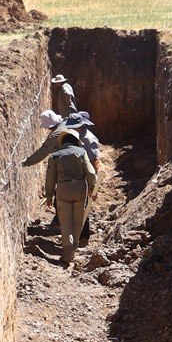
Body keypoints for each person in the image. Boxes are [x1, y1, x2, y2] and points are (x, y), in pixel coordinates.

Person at [44, 129, 98, 266]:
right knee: (77, 220)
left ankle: (67, 253)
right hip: (80, 189)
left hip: (63, 190)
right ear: (76, 141)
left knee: (65, 221)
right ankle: (74, 248)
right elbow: (90, 172)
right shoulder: (82, 152)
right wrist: (93, 188)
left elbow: (50, 178)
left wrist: (49, 195)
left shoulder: (55, 156)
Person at [23, 111, 100, 172]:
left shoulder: (56, 134)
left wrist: (26, 162)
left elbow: (43, 152)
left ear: (50, 127)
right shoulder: (67, 121)